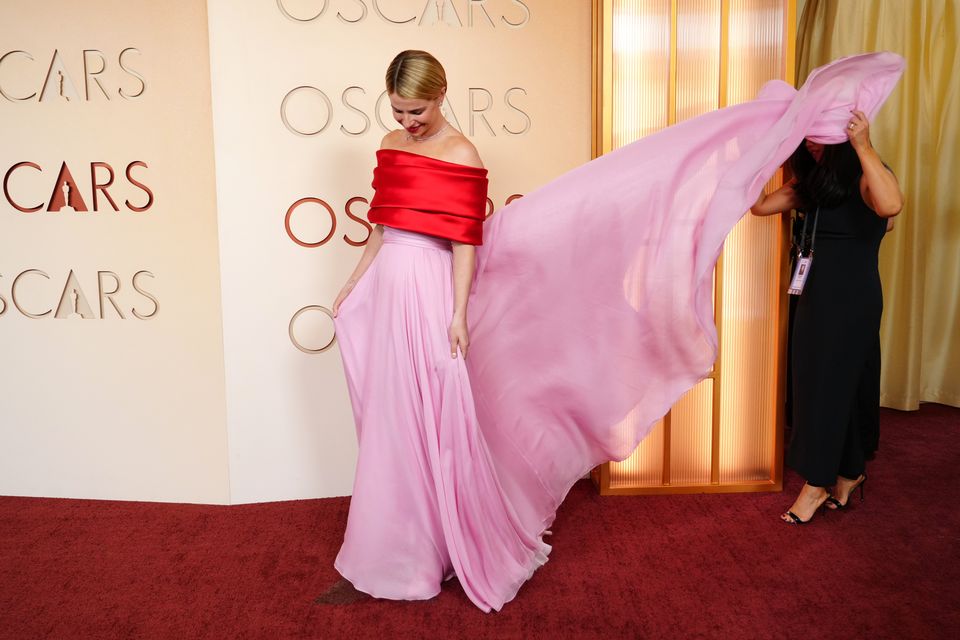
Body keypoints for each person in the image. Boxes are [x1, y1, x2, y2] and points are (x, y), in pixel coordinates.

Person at [331, 50, 906, 610]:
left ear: (440, 97)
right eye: (399, 111)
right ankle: (399, 540)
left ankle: (441, 542)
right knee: (395, 413)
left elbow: (463, 241)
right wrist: (356, 282)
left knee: (438, 412)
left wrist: (456, 314)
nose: (406, 123)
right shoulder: (389, 145)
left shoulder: (460, 150)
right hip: (390, 284)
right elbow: (381, 225)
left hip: (431, 290)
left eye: (417, 112)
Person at [751, 110, 903, 524]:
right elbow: (761, 206)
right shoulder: (813, 183)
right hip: (813, 296)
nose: (812, 142)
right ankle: (850, 472)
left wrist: (863, 144)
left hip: (852, 300)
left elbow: (892, 205)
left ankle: (816, 484)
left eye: (820, 135)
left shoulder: (867, 171)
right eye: (806, 136)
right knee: (815, 385)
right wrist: (762, 152)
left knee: (829, 389)